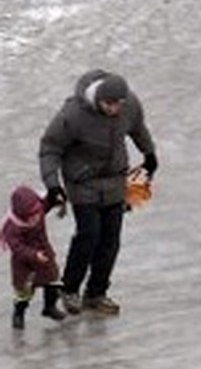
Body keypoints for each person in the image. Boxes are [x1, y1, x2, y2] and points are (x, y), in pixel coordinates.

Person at [38, 70, 157, 317]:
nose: (114, 109)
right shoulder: (73, 115)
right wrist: (53, 185)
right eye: (109, 104)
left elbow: (138, 128)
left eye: (118, 104)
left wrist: (149, 154)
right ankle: (69, 288)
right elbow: (50, 148)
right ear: (99, 100)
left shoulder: (129, 105)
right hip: (83, 183)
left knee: (110, 240)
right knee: (89, 236)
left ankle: (96, 293)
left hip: (115, 182)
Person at [1, 184, 66, 327]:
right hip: (24, 264)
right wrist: (33, 255)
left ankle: (49, 307)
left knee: (52, 281)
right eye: (31, 214)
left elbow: (46, 205)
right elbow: (17, 248)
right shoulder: (12, 227)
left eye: (37, 211)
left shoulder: (39, 208)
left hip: (44, 253)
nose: (36, 216)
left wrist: (54, 200)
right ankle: (19, 314)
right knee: (24, 291)